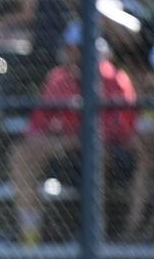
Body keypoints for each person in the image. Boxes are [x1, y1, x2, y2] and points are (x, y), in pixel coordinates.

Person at [8, 21, 147, 246]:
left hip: (112, 154)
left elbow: (119, 132)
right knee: (23, 152)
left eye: (77, 49)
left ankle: (93, 233)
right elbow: (36, 126)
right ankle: (29, 236)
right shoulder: (58, 78)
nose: (71, 55)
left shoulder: (115, 80)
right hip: (67, 151)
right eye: (70, 49)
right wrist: (53, 140)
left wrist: (71, 138)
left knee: (96, 150)